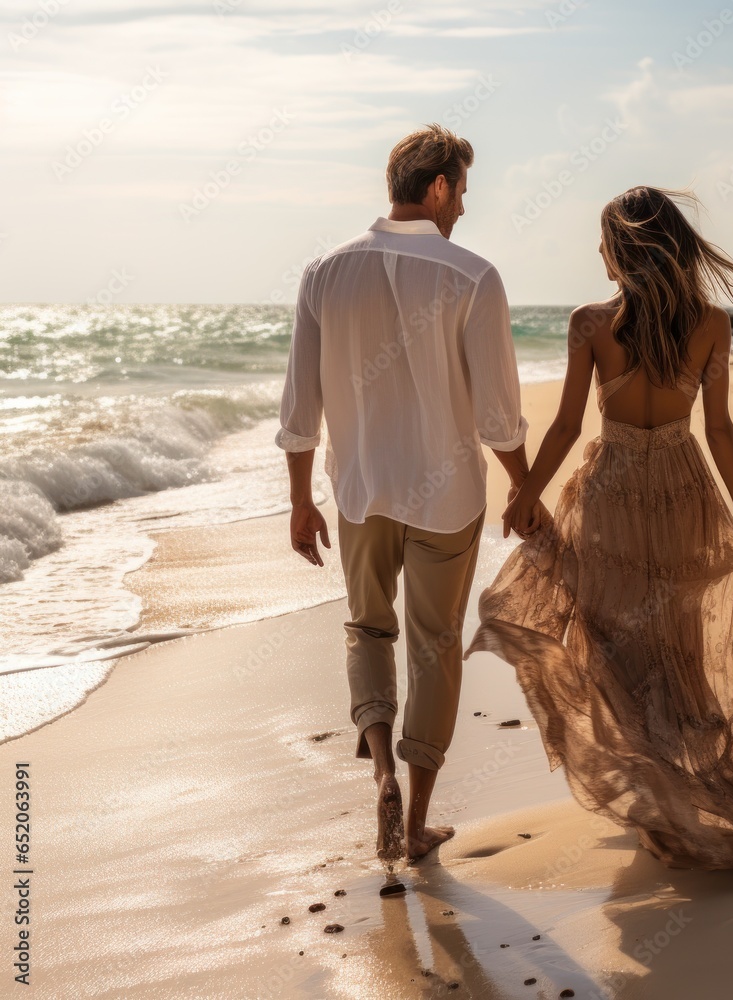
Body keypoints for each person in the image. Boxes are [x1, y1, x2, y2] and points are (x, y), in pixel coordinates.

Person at [465, 185, 733, 877]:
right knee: (682, 649)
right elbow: (719, 427)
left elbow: (571, 425)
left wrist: (526, 490)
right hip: (684, 489)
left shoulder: (589, 324)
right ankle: (683, 791)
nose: (598, 253)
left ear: (623, 253)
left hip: (611, 494)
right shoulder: (712, 325)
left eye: (604, 242)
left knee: (615, 646)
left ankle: (661, 799)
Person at [275, 124, 541, 864]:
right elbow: (496, 415)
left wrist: (300, 501)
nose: (463, 208)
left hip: (359, 492)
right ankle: (417, 821)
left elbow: (299, 408)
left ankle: (383, 773)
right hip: (446, 494)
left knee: (368, 629)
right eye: (461, 191)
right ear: (437, 188)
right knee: (434, 647)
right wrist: (524, 485)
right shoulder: (473, 276)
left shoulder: (323, 273)